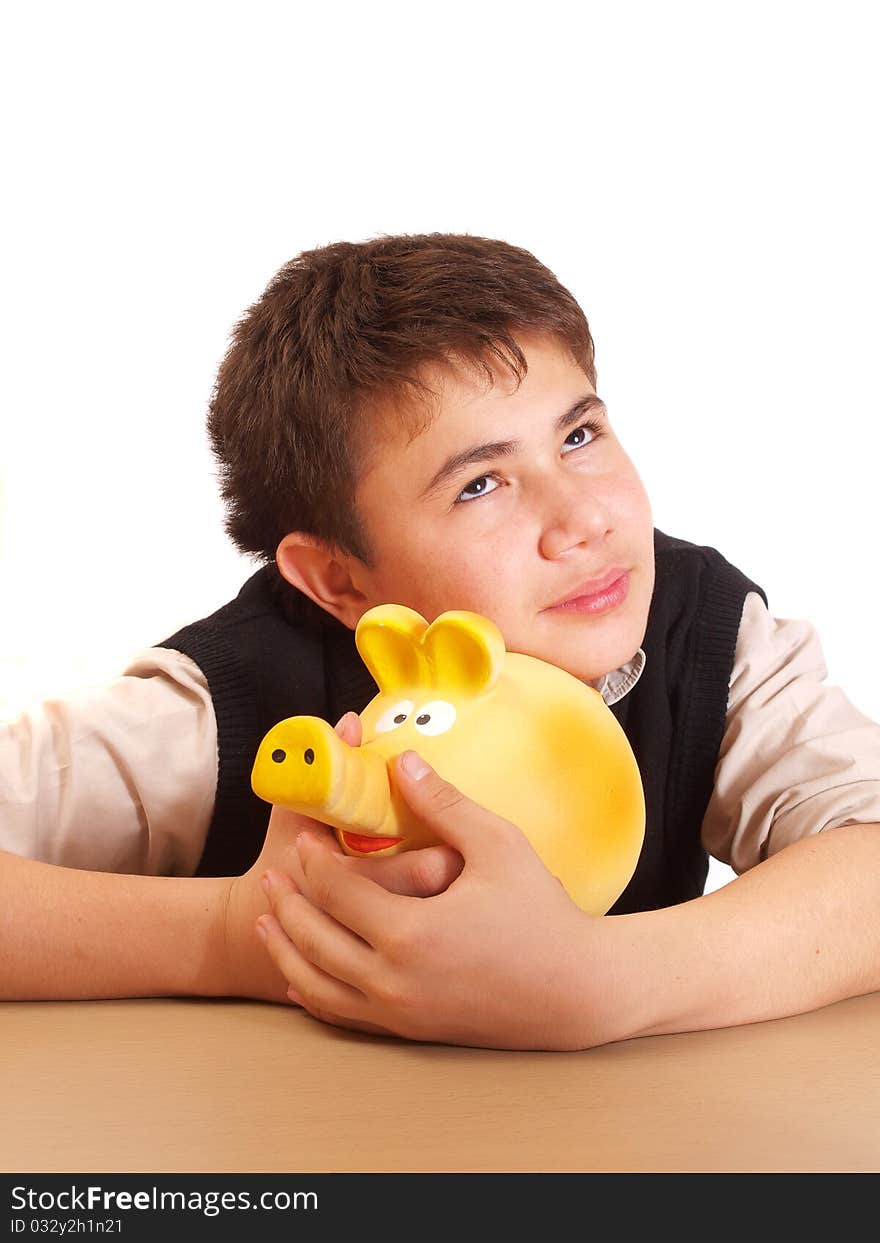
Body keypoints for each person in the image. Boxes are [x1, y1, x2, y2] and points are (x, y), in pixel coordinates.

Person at [2, 233, 879, 1049]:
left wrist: (599, 981)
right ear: (341, 580)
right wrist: (240, 936)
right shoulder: (230, 700)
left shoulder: (707, 632)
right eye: (481, 484)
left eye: (579, 435)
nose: (581, 520)